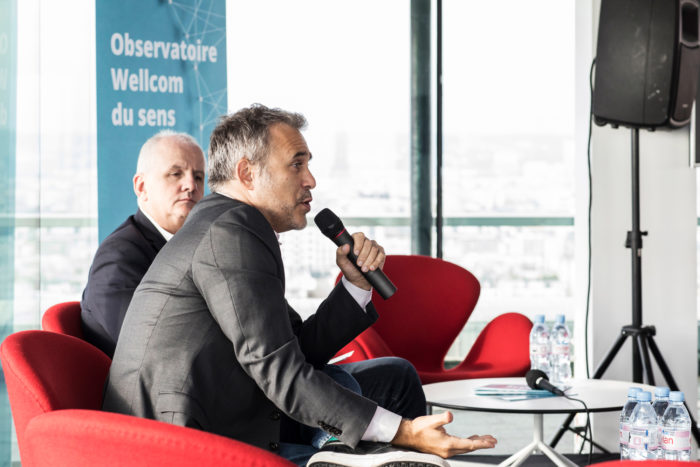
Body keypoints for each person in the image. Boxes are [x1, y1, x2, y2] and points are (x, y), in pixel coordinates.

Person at [102, 104, 496, 466]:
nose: (311, 180)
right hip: (188, 444)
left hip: (229, 410)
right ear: (247, 174)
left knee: (394, 377)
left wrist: (355, 285)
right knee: (384, 441)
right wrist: (403, 432)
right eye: (296, 165)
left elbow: (293, 349)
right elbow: (277, 368)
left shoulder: (228, 223)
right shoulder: (230, 231)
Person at [80, 130, 206, 357]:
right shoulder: (118, 257)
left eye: (198, 177)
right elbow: (150, 345)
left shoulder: (200, 247)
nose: (191, 185)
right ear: (141, 187)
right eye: (175, 174)